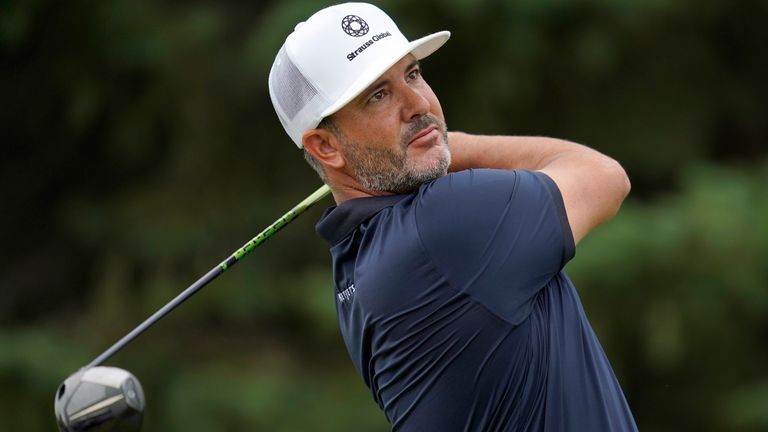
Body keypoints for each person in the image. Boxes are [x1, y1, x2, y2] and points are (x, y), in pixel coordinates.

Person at [269, 3, 637, 431]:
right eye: (378, 95)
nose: (419, 103)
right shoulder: (442, 223)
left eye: (412, 74)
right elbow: (605, 178)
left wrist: (430, 145)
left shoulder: (352, 268)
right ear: (326, 148)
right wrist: (455, 144)